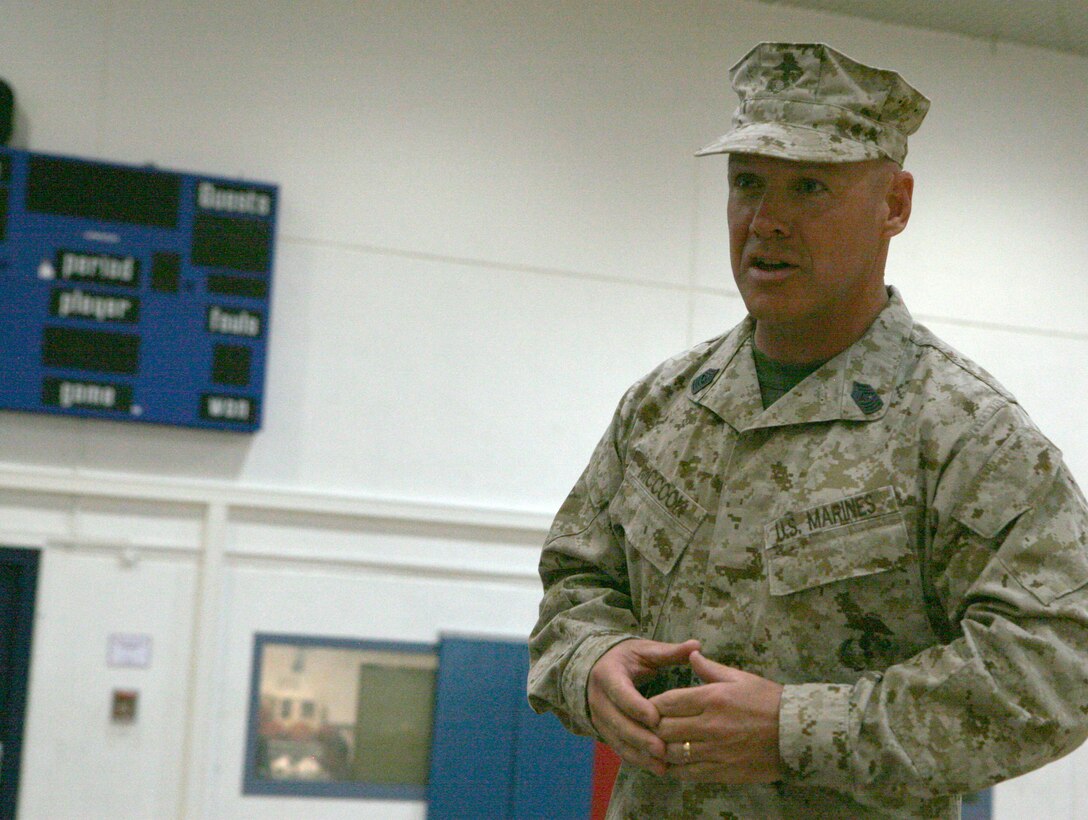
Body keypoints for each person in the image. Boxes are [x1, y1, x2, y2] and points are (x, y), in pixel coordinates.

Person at [527, 41, 1088, 818]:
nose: (767, 221)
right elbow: (575, 586)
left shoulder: (965, 434)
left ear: (895, 203)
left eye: (810, 186)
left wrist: (799, 730)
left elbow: (1056, 672)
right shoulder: (662, 407)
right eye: (747, 183)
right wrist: (592, 664)